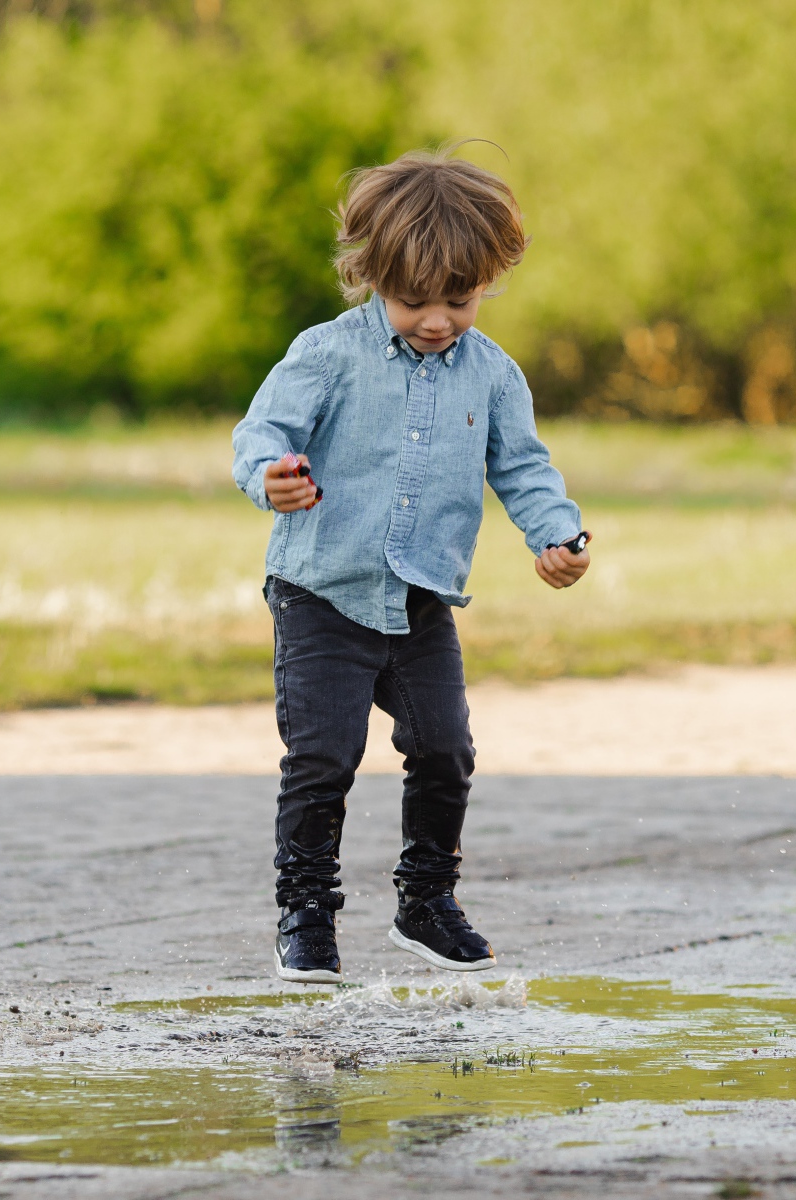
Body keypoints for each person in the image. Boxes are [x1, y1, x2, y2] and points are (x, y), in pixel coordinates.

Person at [230, 148, 590, 984]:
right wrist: (273, 477)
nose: (436, 320)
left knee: (445, 749)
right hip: (321, 592)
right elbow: (263, 434)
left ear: (487, 281)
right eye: (413, 301)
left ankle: (426, 903)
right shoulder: (327, 353)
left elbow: (524, 468)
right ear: (370, 276)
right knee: (324, 754)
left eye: (458, 301)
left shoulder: (494, 375)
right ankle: (307, 915)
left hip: (423, 598)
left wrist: (558, 536)